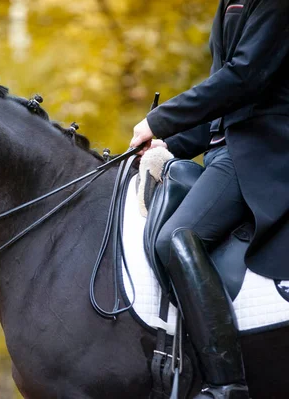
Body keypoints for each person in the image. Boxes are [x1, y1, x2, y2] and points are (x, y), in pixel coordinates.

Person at [130, 1, 289, 398]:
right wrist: (168, 143)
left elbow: (244, 78)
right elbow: (220, 104)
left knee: (178, 237)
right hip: (227, 149)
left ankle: (225, 385)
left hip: (264, 148)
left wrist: (159, 119)